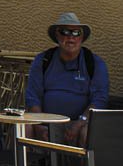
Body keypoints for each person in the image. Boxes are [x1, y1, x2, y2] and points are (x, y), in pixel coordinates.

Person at [25, 11, 109, 143]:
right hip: (47, 122)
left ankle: (89, 164)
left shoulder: (94, 63)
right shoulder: (43, 61)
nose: (71, 37)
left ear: (82, 37)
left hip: (79, 123)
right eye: (65, 32)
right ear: (57, 35)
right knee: (24, 127)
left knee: (89, 132)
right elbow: (33, 97)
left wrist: (80, 123)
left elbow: (99, 100)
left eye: (76, 33)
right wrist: (39, 124)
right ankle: (23, 163)